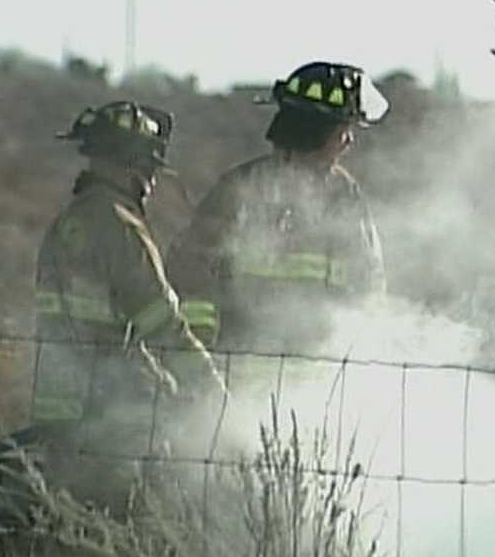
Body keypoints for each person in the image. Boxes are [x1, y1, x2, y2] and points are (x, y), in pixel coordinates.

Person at [32, 100, 224, 515]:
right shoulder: (121, 226)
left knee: (66, 522)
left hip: (58, 409)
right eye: (150, 167)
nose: (152, 180)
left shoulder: (67, 223)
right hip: (111, 417)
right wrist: (209, 385)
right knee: (123, 523)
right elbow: (160, 322)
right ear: (132, 165)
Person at [165, 61, 390, 356]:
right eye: (342, 130)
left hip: (319, 370)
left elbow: (369, 285)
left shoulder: (345, 196)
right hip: (239, 368)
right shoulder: (237, 192)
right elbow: (190, 275)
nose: (349, 141)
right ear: (315, 133)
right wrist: (201, 352)